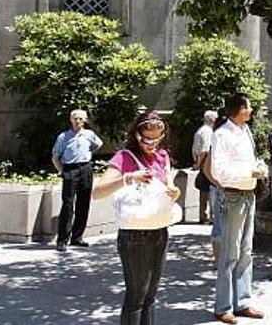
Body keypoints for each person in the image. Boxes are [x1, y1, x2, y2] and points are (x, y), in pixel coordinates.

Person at [91, 111, 180, 325]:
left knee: (150, 296)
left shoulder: (163, 156)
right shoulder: (124, 157)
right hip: (134, 234)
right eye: (147, 139)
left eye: (157, 138)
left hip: (159, 229)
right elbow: (98, 192)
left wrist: (174, 191)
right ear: (136, 135)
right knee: (136, 297)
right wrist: (129, 178)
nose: (152, 144)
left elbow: (169, 184)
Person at [210, 93, 267, 324]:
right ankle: (223, 306)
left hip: (248, 195)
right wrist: (248, 173)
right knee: (229, 254)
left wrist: (258, 168)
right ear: (240, 109)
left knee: (245, 252)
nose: (252, 110)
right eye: (249, 106)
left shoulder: (245, 131)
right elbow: (219, 172)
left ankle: (242, 302)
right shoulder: (222, 134)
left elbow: (247, 161)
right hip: (232, 196)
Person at [51, 109, 104, 252]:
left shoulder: (89, 135)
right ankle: (62, 240)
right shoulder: (63, 137)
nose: (78, 121)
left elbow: (99, 144)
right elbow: (55, 157)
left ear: (85, 120)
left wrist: (89, 153)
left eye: (81, 118)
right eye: (75, 118)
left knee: (83, 203)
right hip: (70, 169)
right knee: (68, 205)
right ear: (70, 119)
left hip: (85, 169)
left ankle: (77, 237)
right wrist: (62, 171)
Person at [193, 110, 217, 224]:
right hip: (206, 164)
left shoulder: (202, 130)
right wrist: (199, 164)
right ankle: (208, 216)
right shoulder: (208, 132)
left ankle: (203, 215)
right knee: (208, 191)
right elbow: (205, 150)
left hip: (203, 163)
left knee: (204, 191)